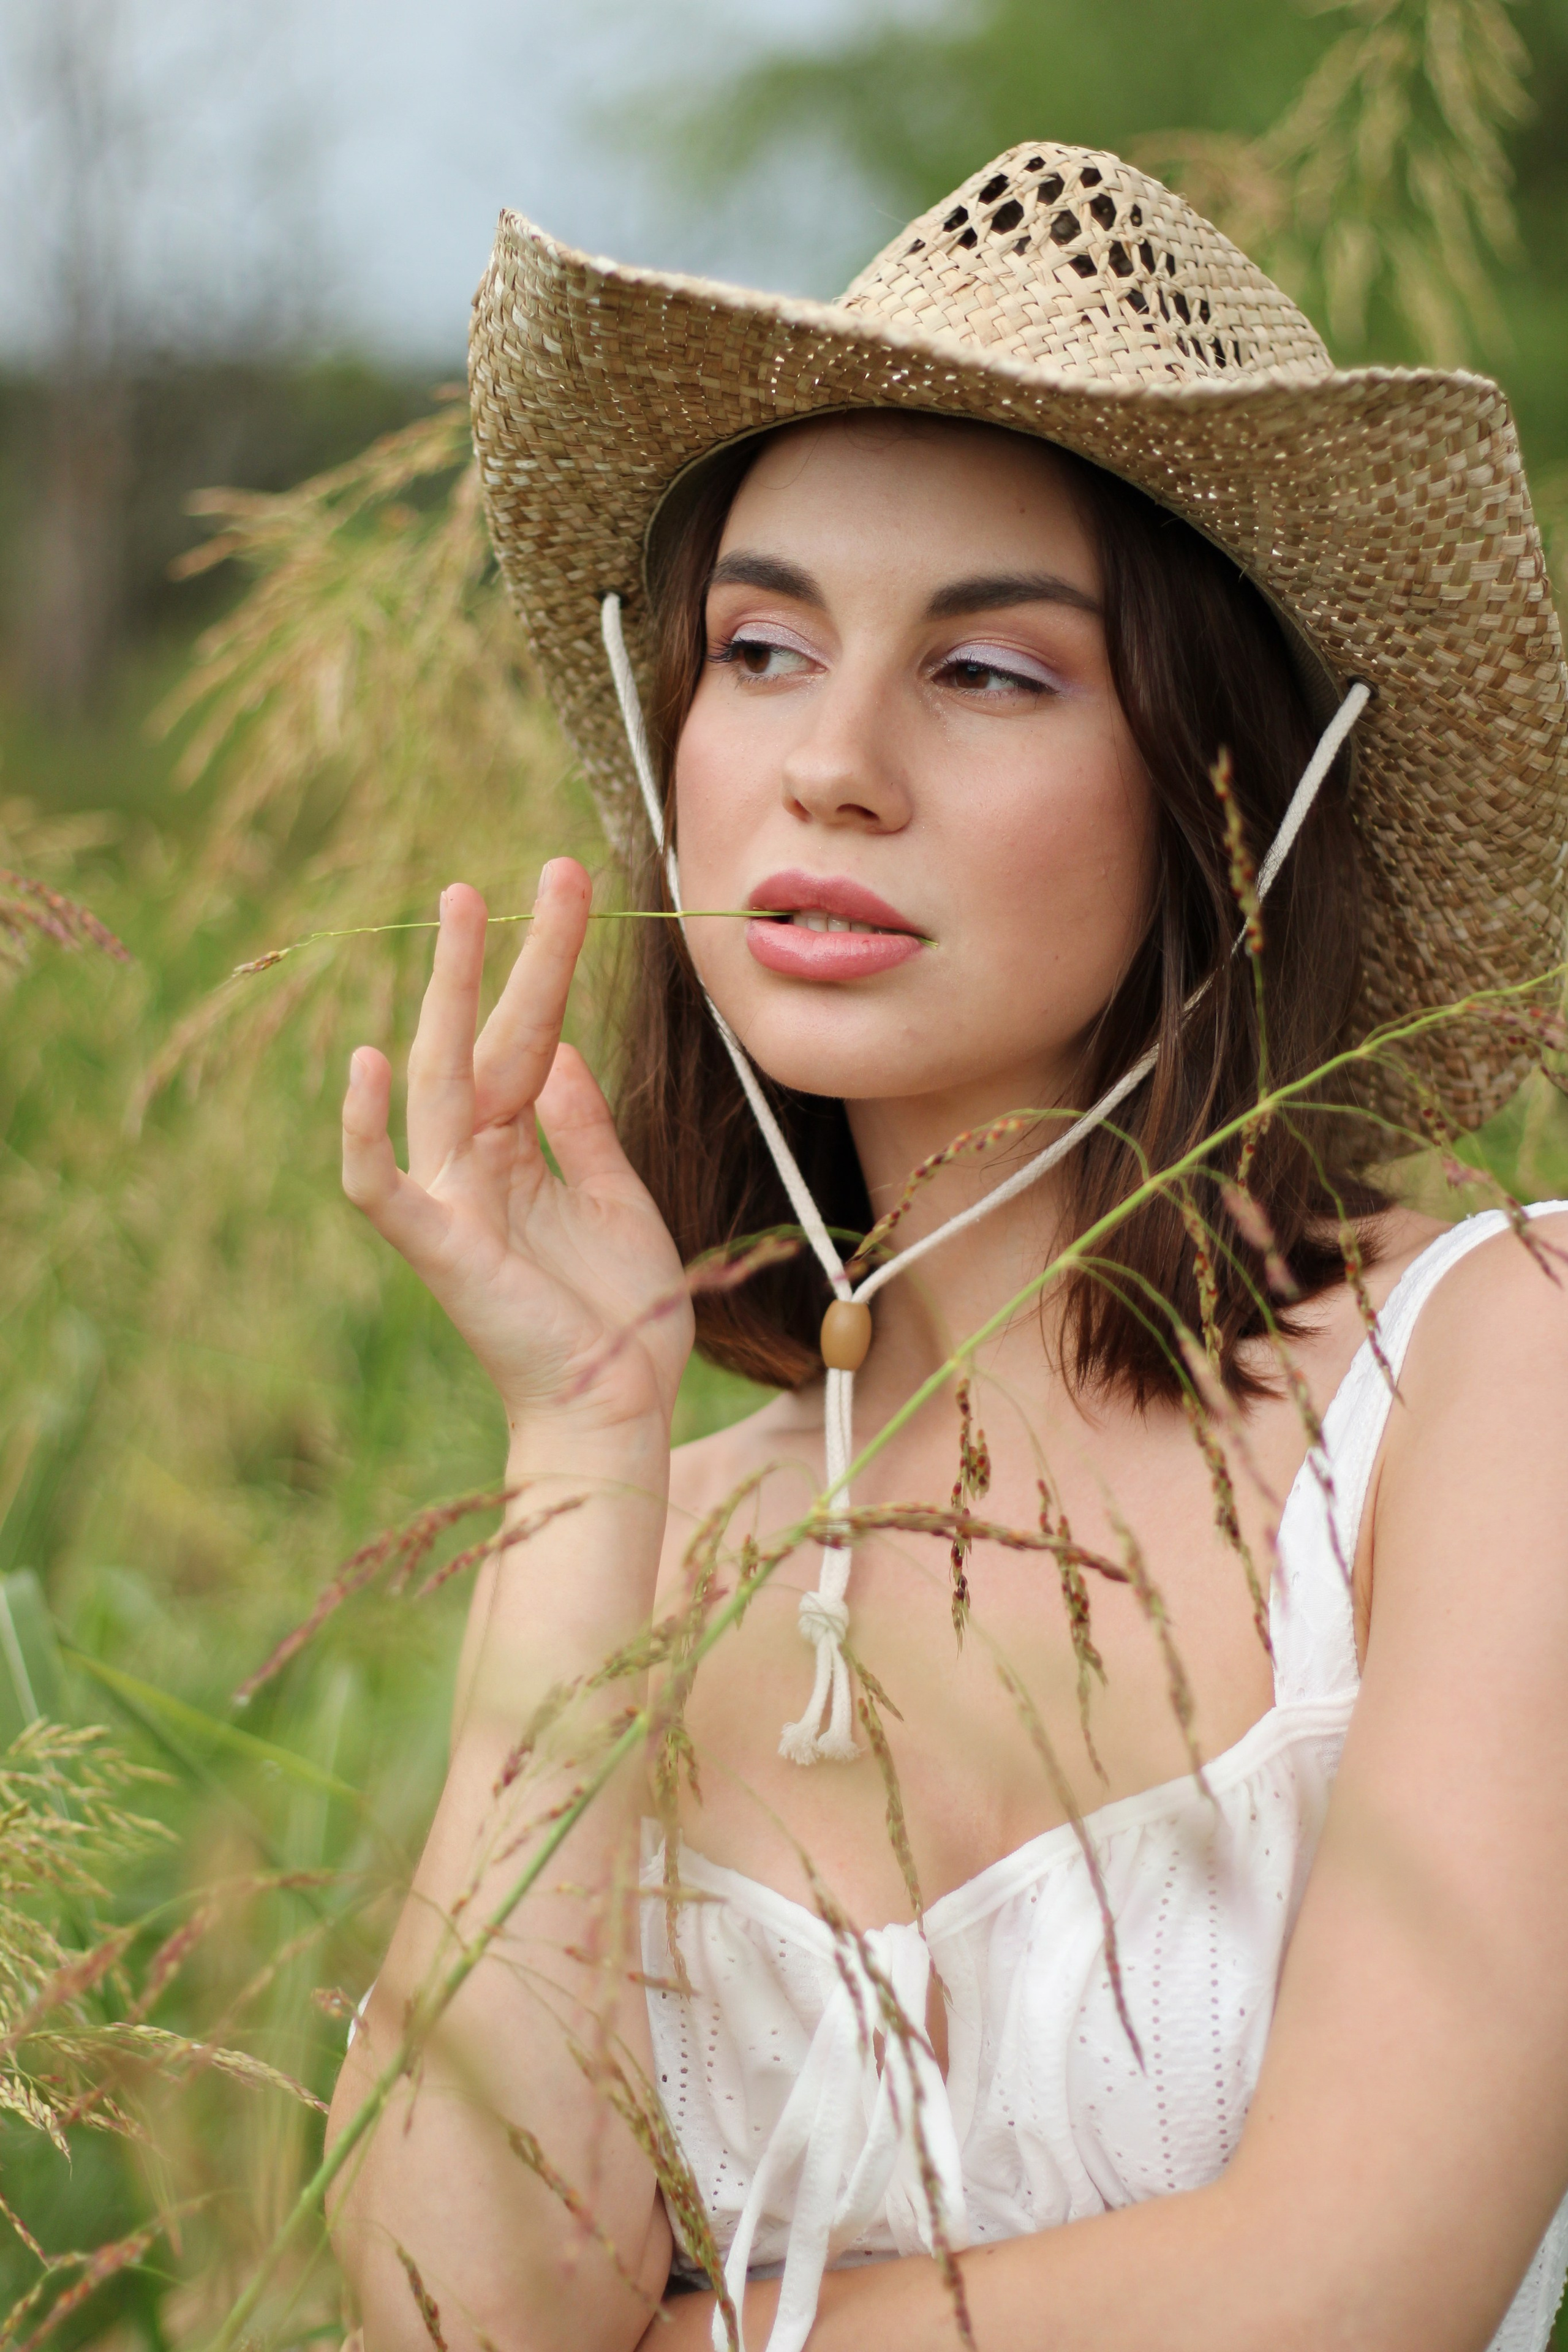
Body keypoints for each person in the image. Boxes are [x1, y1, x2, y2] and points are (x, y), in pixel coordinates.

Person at [326, 145, 1568, 2352]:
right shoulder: (670, 1535)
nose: (831, 764)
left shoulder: (1497, 1371)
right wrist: (584, 1439)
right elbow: (453, 2308)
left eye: (990, 671)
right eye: (763, 646)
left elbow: (1355, 2283)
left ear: (1225, 785)